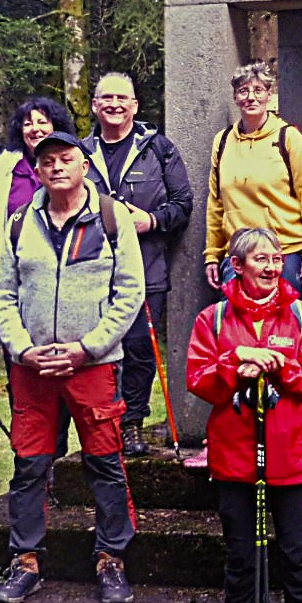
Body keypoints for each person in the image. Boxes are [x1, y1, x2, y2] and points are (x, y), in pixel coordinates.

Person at [0, 131, 145, 603]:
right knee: (30, 465)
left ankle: (111, 559)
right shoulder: (19, 224)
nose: (57, 167)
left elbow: (129, 292)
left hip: (92, 366)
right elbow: (2, 293)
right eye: (48, 161)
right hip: (32, 369)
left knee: (105, 462)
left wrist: (88, 348)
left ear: (84, 165)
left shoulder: (113, 219)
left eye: (66, 159)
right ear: (38, 170)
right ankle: (26, 561)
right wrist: (21, 348)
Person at [184, 229, 302, 603]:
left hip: (296, 456)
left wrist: (275, 364)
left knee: (296, 555)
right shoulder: (212, 319)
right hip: (236, 457)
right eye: (260, 259)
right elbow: (199, 379)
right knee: (241, 556)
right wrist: (235, 362)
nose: (271, 267)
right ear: (237, 265)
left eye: (277, 258)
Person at [82, 72, 193, 457]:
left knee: (138, 348)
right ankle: (102, 424)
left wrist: (150, 221)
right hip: (92, 270)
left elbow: (183, 205)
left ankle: (131, 423)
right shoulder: (79, 153)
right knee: (97, 350)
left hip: (146, 267)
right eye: (105, 98)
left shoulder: (158, 149)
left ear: (134, 106)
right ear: (95, 105)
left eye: (121, 98)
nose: (113, 104)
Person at [203, 61, 302, 294]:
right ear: (235, 97)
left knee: (289, 326)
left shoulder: (288, 138)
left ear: (269, 94)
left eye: (258, 90)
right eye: (243, 91)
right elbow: (216, 203)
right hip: (238, 256)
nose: (251, 97)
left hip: (285, 254)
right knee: (236, 327)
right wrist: (212, 254)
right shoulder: (223, 141)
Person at [0, 95, 77, 251]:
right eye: (28, 124)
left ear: (56, 126)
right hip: (16, 265)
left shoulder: (74, 162)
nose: (35, 129)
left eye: (42, 122)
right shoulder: (2, 168)